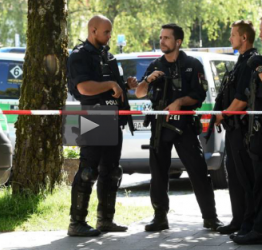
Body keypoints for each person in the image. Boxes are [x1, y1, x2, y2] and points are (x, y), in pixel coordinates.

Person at [135, 23, 223, 232]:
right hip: (160, 127)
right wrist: (148, 79)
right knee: (158, 174)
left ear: (178, 41)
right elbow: (139, 93)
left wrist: (180, 102)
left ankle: (210, 217)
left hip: (184, 126)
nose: (162, 41)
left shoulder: (192, 64)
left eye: (166, 37)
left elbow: (199, 96)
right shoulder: (155, 65)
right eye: (161, 37)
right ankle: (159, 217)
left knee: (198, 171)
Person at [66, 15, 138, 237]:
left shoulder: (108, 56)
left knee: (112, 172)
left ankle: (105, 220)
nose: (109, 36)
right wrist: (110, 84)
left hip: (113, 118)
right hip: (93, 116)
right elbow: (85, 88)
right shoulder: (79, 56)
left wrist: (125, 86)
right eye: (106, 32)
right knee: (88, 171)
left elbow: (112, 89)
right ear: (93, 30)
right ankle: (76, 222)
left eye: (110, 32)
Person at [214, 20, 256, 238]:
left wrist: (223, 114)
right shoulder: (240, 62)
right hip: (232, 130)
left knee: (246, 178)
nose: (230, 38)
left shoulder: (251, 62)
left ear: (244, 38)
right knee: (235, 177)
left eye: (233, 35)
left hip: (243, 131)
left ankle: (249, 225)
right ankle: (238, 220)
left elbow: (241, 100)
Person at [233, 18, 262, 245]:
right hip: (254, 131)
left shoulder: (254, 61)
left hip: (251, 129)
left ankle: (256, 227)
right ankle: (249, 224)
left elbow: (242, 98)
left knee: (255, 182)